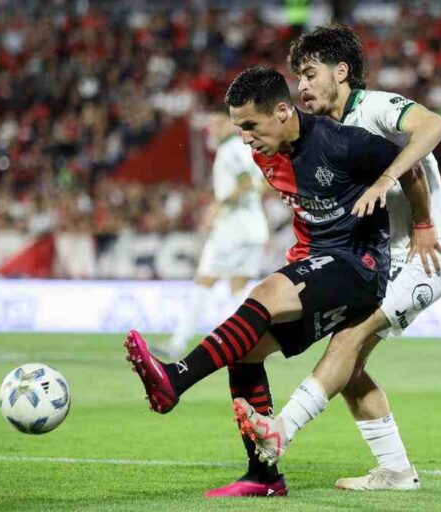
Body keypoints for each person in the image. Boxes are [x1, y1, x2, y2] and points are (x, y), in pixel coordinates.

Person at [124, 65, 414, 496]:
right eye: (238, 127)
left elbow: (412, 163)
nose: (244, 137)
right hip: (322, 263)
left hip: (360, 266)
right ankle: (264, 476)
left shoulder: (342, 143)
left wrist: (423, 228)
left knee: (265, 293)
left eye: (249, 125)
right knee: (244, 352)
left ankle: (175, 379)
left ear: (282, 111)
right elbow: (308, 208)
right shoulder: (265, 153)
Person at [233, 24, 441, 491]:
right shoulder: (317, 135)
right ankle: (395, 471)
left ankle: (282, 430)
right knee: (350, 365)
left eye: (312, 74)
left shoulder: (374, 107)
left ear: (342, 72)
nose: (304, 86)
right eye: (298, 77)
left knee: (348, 339)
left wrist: (403, 202)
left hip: (424, 254)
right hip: (373, 258)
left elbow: (436, 125)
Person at [156, 110, 269, 359]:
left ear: (232, 125)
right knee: (238, 287)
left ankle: (177, 342)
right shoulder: (248, 150)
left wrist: (217, 207)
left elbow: (245, 183)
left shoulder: (229, 151)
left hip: (233, 230)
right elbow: (262, 183)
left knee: (204, 281)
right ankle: (262, 340)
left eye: (218, 123)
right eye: (211, 124)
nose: (212, 129)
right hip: (255, 228)